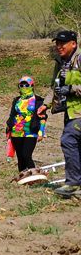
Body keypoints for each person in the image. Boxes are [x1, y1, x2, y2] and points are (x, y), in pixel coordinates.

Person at [47, 29, 81, 198]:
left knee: (68, 139)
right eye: (57, 44)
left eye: (62, 43)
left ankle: (73, 183)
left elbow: (70, 88)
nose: (59, 47)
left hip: (79, 112)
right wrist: (44, 105)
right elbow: (54, 88)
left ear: (73, 44)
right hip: (70, 111)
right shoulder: (61, 62)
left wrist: (71, 89)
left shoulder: (79, 59)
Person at [4, 75, 46, 173]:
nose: (24, 87)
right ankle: (23, 177)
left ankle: (34, 176)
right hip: (16, 131)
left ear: (32, 86)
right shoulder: (17, 100)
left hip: (31, 131)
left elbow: (43, 117)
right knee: (20, 157)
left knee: (26, 155)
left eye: (26, 85)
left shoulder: (38, 100)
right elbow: (12, 115)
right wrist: (9, 129)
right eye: (21, 85)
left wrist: (41, 131)